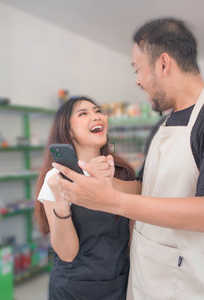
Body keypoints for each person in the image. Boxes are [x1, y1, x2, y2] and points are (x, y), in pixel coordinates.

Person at [52, 18, 204, 300]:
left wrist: (112, 200)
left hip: (195, 284)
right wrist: (106, 182)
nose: (137, 80)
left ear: (163, 64)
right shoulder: (163, 126)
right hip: (148, 280)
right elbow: (144, 186)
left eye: (138, 69)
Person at [35, 96, 136, 300]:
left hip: (119, 284)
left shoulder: (123, 173)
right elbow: (67, 253)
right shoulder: (56, 179)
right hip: (72, 289)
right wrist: (62, 203)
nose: (97, 116)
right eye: (84, 113)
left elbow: (133, 237)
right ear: (68, 131)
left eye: (98, 111)